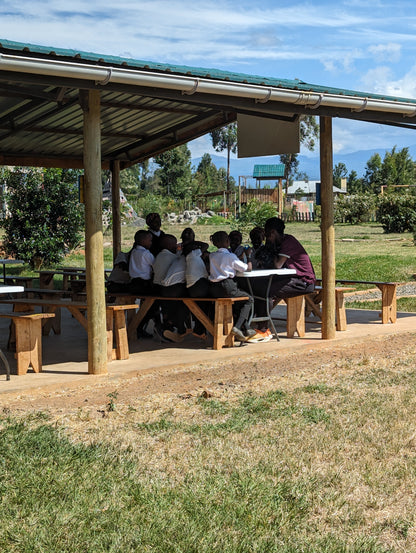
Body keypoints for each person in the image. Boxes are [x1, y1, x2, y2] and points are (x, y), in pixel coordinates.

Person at [250, 217, 316, 339]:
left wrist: (270, 247)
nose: (267, 238)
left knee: (267, 291)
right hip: (291, 278)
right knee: (259, 287)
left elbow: (277, 264)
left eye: (268, 234)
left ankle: (263, 330)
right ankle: (255, 322)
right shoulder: (279, 242)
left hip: (303, 281)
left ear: (273, 232)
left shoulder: (288, 241)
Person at [208, 230, 256, 342]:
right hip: (227, 286)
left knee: (238, 300)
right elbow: (247, 268)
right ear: (227, 241)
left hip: (214, 288)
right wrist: (248, 256)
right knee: (249, 299)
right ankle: (238, 327)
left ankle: (247, 328)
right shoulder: (230, 256)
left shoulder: (212, 256)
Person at [153, 234, 190, 343]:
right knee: (184, 303)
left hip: (157, 287)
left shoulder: (159, 256)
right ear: (169, 245)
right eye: (174, 244)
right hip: (166, 287)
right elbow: (180, 260)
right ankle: (171, 326)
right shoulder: (171, 257)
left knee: (168, 307)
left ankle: (168, 326)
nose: (176, 246)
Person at [128, 229, 154, 295]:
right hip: (144, 284)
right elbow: (155, 265)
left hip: (133, 284)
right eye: (150, 241)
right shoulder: (146, 253)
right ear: (143, 241)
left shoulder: (133, 252)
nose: (151, 243)